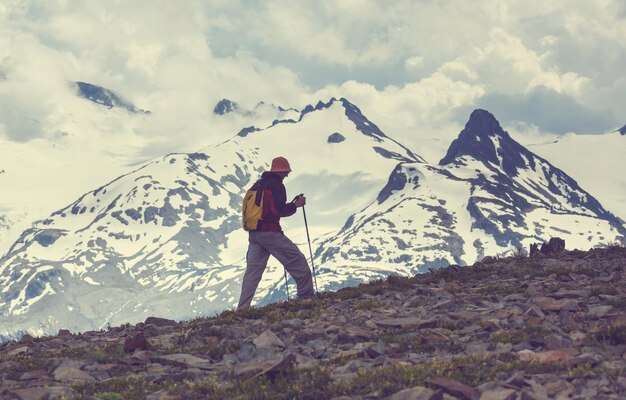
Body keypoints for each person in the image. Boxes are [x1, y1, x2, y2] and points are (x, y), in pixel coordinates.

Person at [237, 156, 314, 309]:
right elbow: (278, 210)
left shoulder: (257, 185)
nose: (287, 174)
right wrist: (295, 205)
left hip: (254, 235)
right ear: (282, 171)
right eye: (286, 171)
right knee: (299, 264)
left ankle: (242, 308)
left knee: (252, 273)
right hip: (270, 234)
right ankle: (306, 300)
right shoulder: (277, 186)